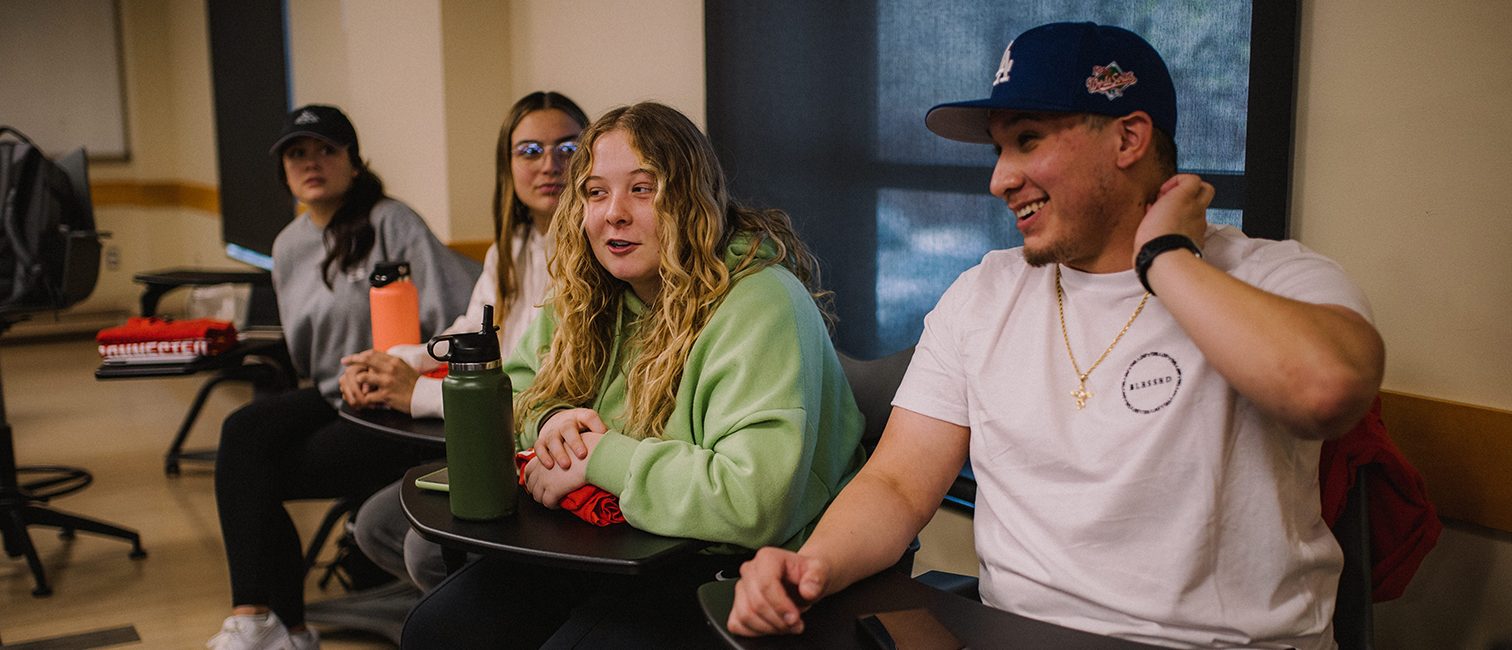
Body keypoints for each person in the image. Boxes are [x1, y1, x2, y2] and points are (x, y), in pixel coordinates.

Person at [727, 22, 1385, 649]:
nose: (999, 178)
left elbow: (1325, 391)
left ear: (1129, 139)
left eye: (1029, 139)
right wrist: (810, 566)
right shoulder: (982, 293)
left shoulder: (1280, 276)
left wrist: (1166, 258)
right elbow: (897, 483)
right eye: (998, 149)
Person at [399, 101, 867, 648]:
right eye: (596, 192)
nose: (612, 213)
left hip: (732, 569)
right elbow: (517, 398)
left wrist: (599, 457)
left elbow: (751, 503)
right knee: (439, 631)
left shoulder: (761, 301)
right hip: (613, 545)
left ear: (691, 199)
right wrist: (554, 422)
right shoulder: (585, 289)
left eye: (642, 189)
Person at [208, 104, 479, 650]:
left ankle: (279, 627)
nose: (311, 163)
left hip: (393, 404)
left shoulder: (391, 222)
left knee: (255, 477)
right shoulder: (287, 246)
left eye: (326, 150)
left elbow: (458, 313)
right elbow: (307, 360)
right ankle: (269, 622)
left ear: (353, 163)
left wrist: (395, 365)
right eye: (297, 153)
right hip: (336, 394)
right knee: (242, 434)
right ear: (284, 169)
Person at [346, 91, 589, 592]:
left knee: (421, 545)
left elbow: (542, 386)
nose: (550, 165)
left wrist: (413, 393)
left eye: (568, 149)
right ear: (507, 164)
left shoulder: (596, 257)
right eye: (530, 151)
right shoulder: (513, 246)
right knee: (375, 525)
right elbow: (476, 329)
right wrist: (396, 359)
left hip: (537, 443)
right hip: (502, 433)